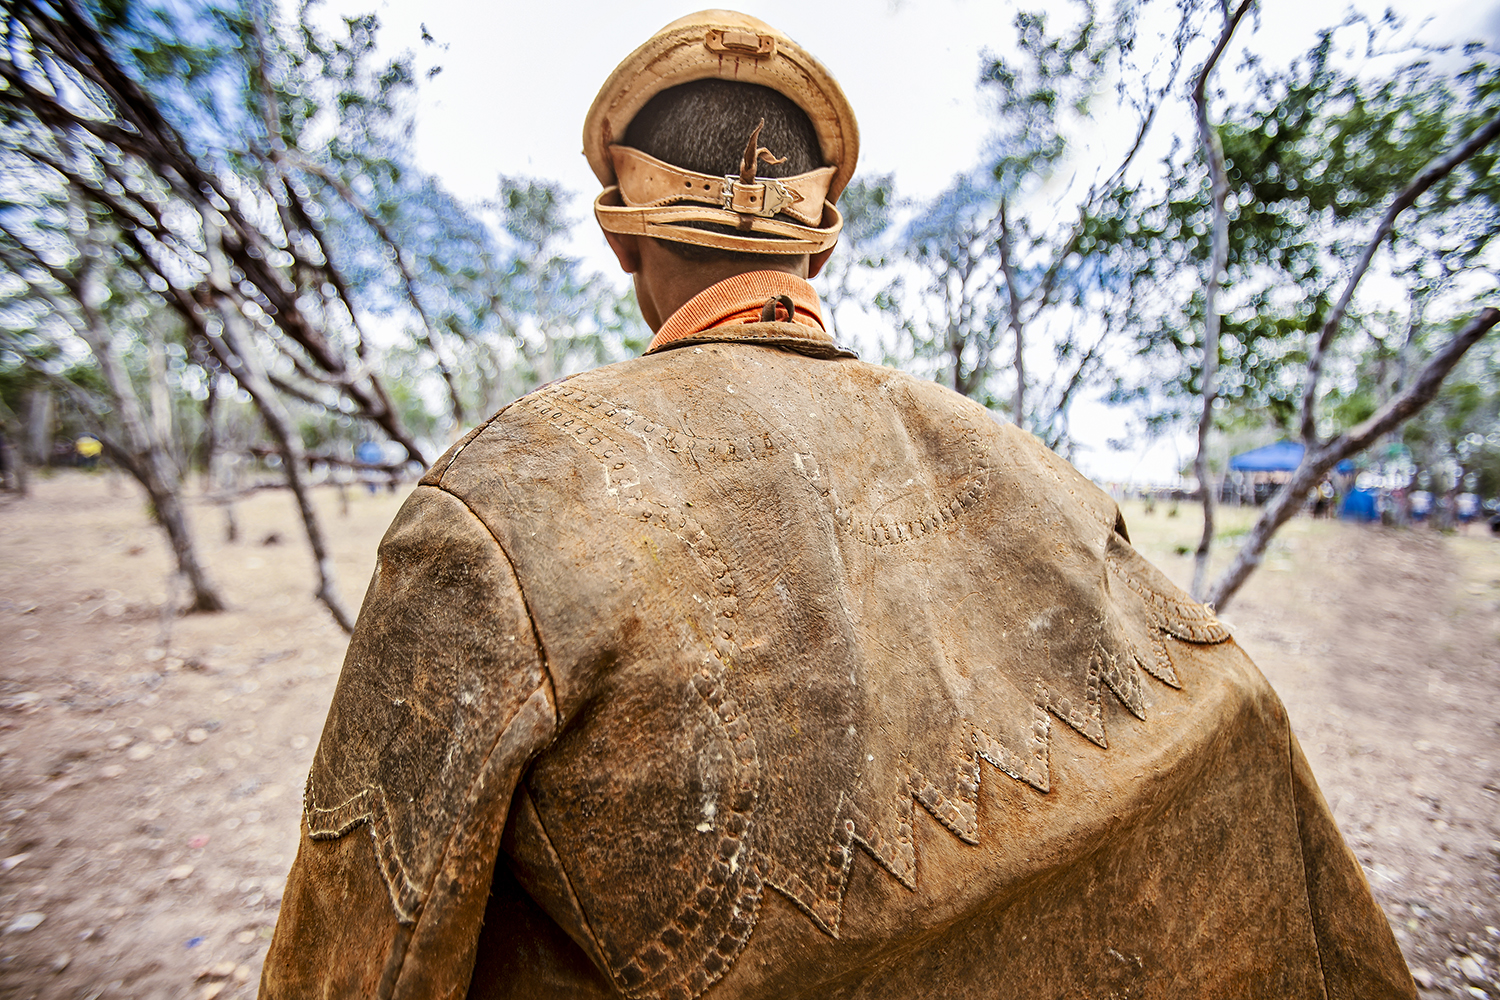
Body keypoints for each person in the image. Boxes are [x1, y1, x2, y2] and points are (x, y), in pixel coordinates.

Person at [260, 12, 1414, 999]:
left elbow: (373, 936)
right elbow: (1233, 711)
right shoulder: (1027, 463)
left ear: (624, 237)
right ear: (822, 242)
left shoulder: (505, 497)